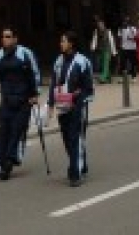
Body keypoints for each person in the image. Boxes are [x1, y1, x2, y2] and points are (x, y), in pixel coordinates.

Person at [0, 27, 40, 180]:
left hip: (23, 99)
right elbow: (1, 76)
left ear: (15, 39)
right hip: (7, 98)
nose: (5, 39)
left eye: (8, 37)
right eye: (3, 37)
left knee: (16, 131)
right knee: (3, 130)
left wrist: (34, 94)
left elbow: (34, 74)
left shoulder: (25, 54)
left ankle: (8, 163)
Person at [47, 30, 94, 187]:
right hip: (62, 105)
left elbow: (88, 87)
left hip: (77, 106)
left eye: (63, 41)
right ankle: (81, 163)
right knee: (67, 139)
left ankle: (75, 172)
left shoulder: (82, 62)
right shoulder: (58, 61)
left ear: (71, 43)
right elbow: (54, 83)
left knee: (75, 137)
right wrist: (50, 104)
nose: (61, 44)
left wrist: (78, 97)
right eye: (61, 41)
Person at [89, 15, 116, 84]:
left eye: (101, 24)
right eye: (99, 25)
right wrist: (93, 47)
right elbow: (94, 40)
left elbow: (111, 41)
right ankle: (108, 78)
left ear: (103, 25)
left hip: (107, 49)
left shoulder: (108, 31)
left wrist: (114, 51)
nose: (100, 26)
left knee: (106, 63)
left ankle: (103, 78)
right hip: (100, 50)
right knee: (102, 64)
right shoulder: (96, 32)